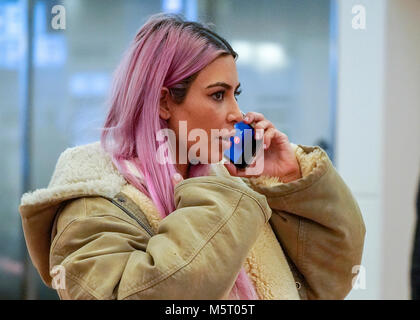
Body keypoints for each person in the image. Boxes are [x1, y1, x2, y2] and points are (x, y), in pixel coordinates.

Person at [18, 13, 365, 300]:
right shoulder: (93, 203)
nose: (237, 113)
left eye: (235, 94)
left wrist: (288, 181)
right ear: (164, 102)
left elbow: (328, 280)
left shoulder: (233, 186)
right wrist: (226, 199)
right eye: (218, 95)